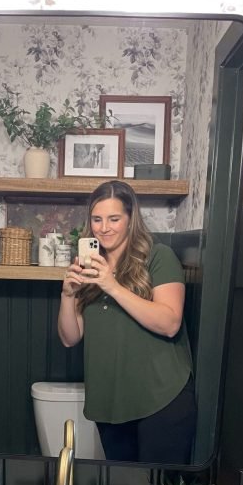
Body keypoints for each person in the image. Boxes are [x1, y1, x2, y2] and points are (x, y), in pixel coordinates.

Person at [57, 179, 196, 464]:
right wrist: (67, 295)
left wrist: (112, 285)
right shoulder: (89, 265)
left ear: (130, 219)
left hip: (161, 397)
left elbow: (170, 323)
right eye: (97, 219)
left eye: (114, 219)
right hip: (110, 403)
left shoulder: (158, 256)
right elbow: (70, 338)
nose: (104, 228)